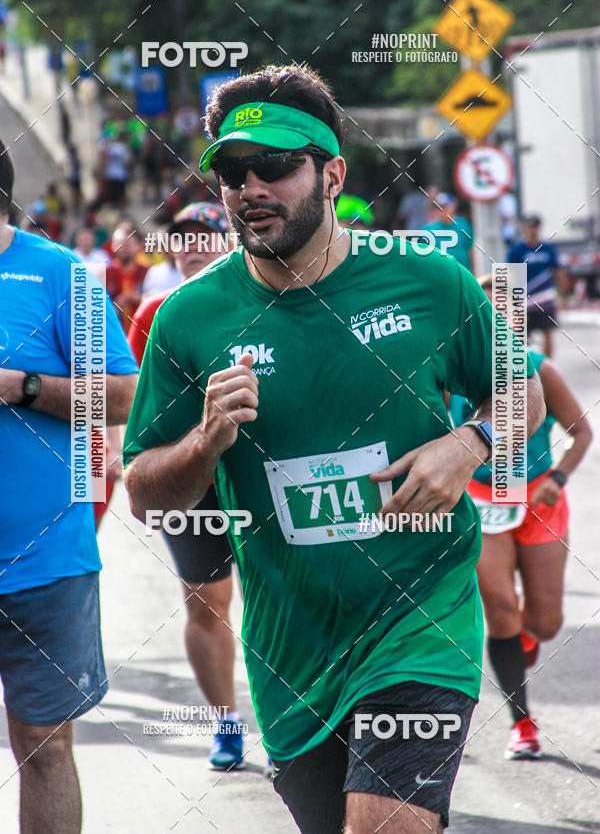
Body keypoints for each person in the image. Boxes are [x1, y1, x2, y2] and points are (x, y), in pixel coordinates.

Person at [122, 65, 545, 834]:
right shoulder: (189, 319)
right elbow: (145, 490)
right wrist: (206, 443)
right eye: (232, 171)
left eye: (276, 166)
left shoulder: (429, 282)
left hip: (419, 619)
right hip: (292, 656)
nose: (251, 187)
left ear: (332, 173)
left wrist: (471, 441)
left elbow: (526, 392)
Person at [0, 141, 138, 833]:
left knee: (44, 748)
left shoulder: (61, 275)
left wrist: (23, 387)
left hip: (44, 563)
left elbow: (122, 397)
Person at [449, 275, 592, 761]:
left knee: (547, 622)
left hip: (539, 499)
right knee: (499, 609)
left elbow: (583, 434)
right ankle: (522, 722)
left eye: (506, 314)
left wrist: (560, 478)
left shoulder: (540, 370)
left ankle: (528, 638)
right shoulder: (452, 376)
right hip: (482, 497)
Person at [127, 202, 246, 768]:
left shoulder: (266, 298)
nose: (193, 246)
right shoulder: (156, 312)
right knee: (206, 605)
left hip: (267, 479)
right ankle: (225, 721)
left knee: (292, 598)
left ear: (230, 241)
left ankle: (301, 720)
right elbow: (130, 409)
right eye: (182, 239)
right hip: (194, 484)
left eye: (206, 236)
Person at [507, 215, 569, 359]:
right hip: (523, 300)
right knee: (519, 335)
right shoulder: (516, 250)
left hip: (545, 299)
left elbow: (558, 271)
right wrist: (511, 301)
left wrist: (563, 295)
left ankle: (547, 365)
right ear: (523, 227)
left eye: (535, 225)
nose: (532, 229)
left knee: (548, 332)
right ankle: (522, 366)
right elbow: (510, 275)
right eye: (529, 225)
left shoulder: (548, 248)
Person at [105, 221, 148, 332]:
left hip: (143, 335)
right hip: (114, 335)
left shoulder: (148, 272)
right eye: (119, 244)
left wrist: (135, 297)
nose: (123, 249)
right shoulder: (105, 273)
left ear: (139, 246)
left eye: (127, 244)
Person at [425, 192, 473, 271]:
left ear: (453, 206)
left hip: (462, 271)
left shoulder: (464, 225)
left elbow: (471, 249)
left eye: (445, 207)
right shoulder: (428, 230)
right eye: (439, 207)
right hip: (439, 272)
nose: (442, 210)